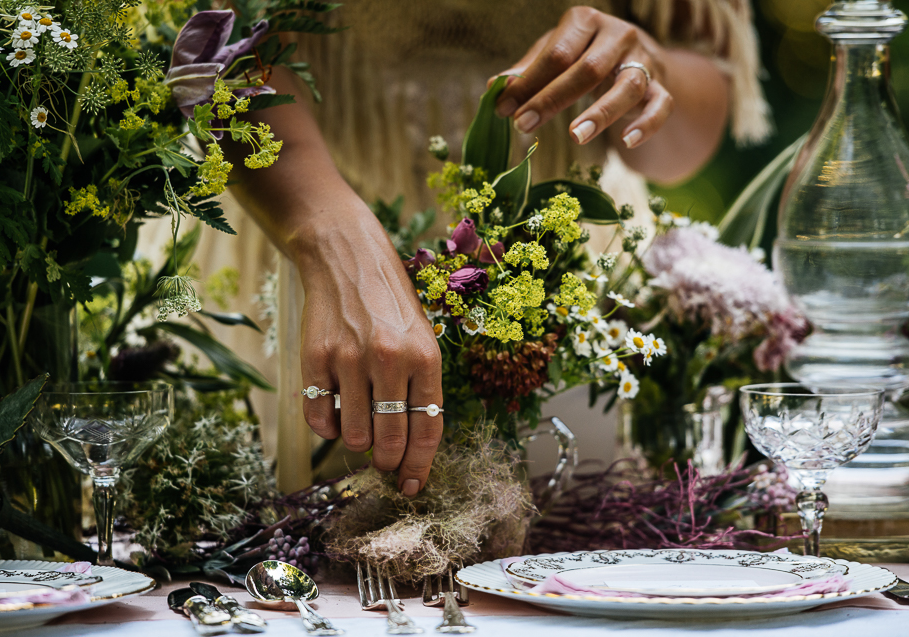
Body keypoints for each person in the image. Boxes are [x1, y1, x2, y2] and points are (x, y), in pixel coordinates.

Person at [164, 0, 769, 495]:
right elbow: (214, 46)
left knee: (564, 567)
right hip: (288, 266)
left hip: (564, 296)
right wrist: (329, 236)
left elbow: (690, 127)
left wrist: (647, 66)